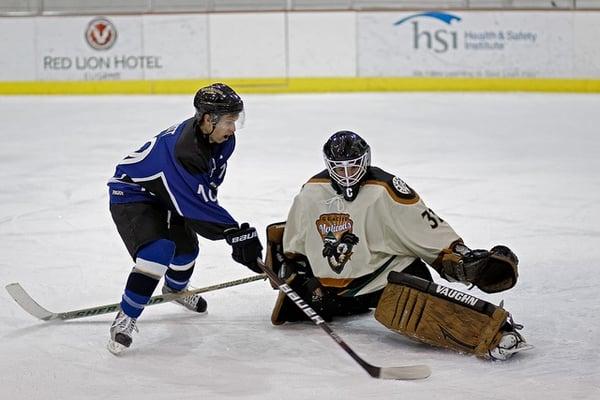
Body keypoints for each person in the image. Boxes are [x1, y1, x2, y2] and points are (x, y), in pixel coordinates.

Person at [264, 130, 532, 360]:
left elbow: (424, 225)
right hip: (335, 294)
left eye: (354, 166)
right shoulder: (312, 190)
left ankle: (494, 334)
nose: (347, 174)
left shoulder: (385, 188)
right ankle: (341, 300)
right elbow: (293, 241)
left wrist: (458, 258)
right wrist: (295, 269)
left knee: (417, 308)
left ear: (366, 160)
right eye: (340, 167)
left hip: (383, 278)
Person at [106, 83, 263, 354]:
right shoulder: (185, 151)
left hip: (167, 193)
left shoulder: (221, 140)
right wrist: (233, 232)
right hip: (132, 193)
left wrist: (233, 233)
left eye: (235, 121)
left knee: (187, 251)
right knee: (158, 253)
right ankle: (125, 317)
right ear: (206, 119)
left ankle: (175, 290)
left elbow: (204, 196)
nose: (233, 128)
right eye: (228, 121)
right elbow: (194, 206)